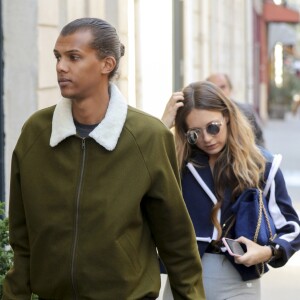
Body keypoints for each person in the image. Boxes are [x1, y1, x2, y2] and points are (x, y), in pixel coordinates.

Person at [3, 18, 206, 300]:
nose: (61, 66)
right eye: (58, 57)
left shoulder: (148, 137)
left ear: (106, 64)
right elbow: (22, 238)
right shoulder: (37, 132)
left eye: (74, 57)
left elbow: (177, 242)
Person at [161, 81, 300, 300]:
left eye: (213, 127)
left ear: (227, 116)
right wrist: (160, 127)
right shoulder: (176, 163)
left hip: (238, 282)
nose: (207, 138)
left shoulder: (262, 165)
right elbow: (134, 187)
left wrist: (267, 252)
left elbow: (291, 228)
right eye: (195, 134)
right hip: (183, 279)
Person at [206, 73, 265, 147]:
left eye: (223, 87)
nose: (220, 92)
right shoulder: (204, 116)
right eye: (214, 88)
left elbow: (260, 142)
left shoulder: (247, 111)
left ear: (230, 89)